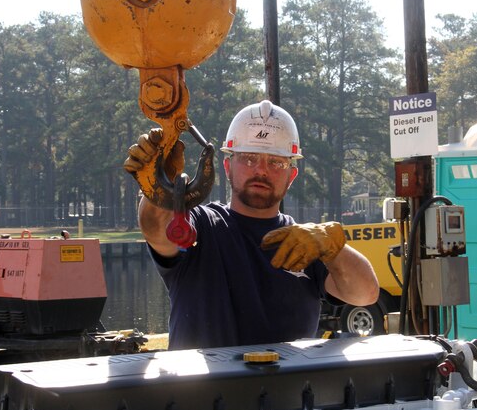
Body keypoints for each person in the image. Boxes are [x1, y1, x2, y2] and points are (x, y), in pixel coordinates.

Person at [125, 100, 379, 350]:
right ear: (227, 167)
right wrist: (159, 191)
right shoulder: (203, 229)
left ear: (291, 176)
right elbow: (156, 229)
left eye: (276, 162)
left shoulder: (305, 244)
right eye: (248, 158)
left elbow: (365, 294)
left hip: (288, 389)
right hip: (203, 390)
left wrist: (333, 246)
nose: (262, 170)